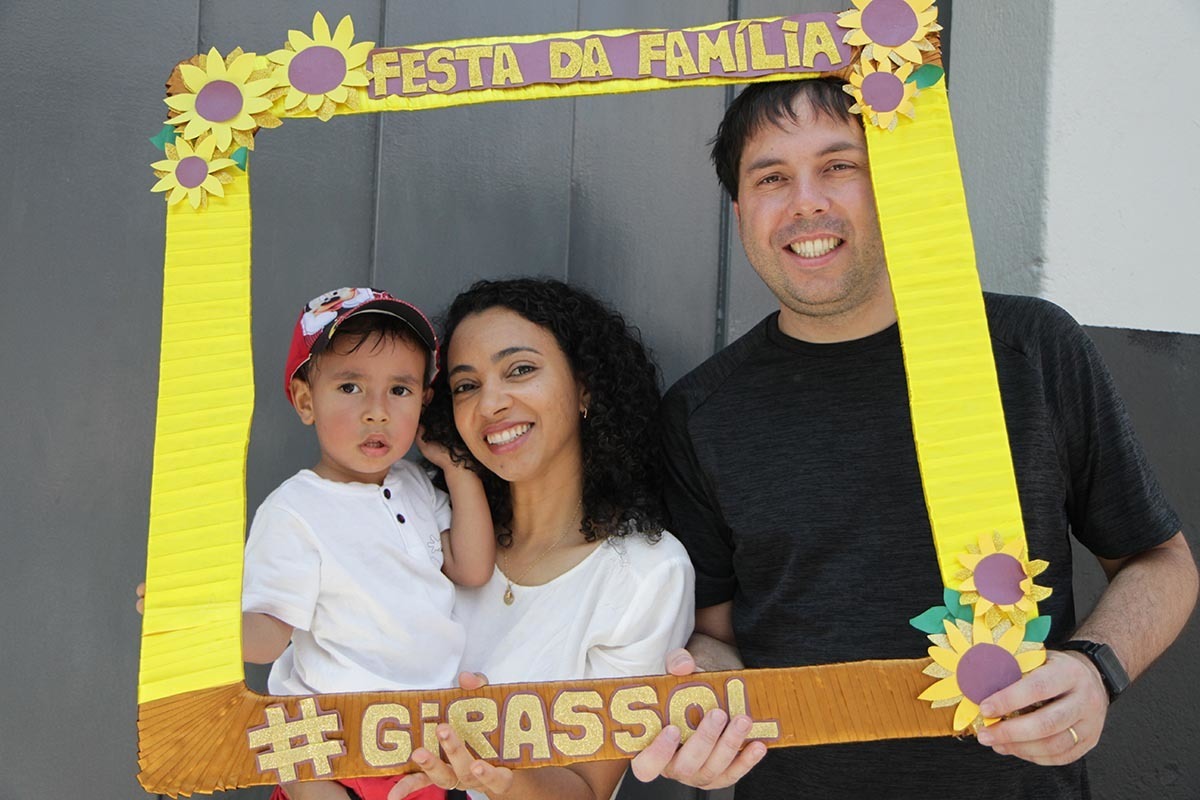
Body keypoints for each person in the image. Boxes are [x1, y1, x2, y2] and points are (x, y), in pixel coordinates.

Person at [628, 79, 1198, 798]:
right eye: (771, 178)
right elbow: (719, 636)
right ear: (741, 212)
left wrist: (1095, 667)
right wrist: (705, 703)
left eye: (839, 166)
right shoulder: (700, 412)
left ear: (897, 182)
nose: (806, 202)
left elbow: (1160, 561)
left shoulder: (1031, 349)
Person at [141, 287, 497, 800]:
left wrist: (455, 466)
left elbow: (472, 567)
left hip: (417, 746)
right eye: (350, 387)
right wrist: (194, 619)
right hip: (324, 747)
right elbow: (267, 638)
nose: (377, 411)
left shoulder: (416, 485)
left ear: (423, 401)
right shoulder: (296, 511)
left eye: (399, 390)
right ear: (307, 400)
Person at [387, 278, 695, 800]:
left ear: (585, 386)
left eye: (520, 370)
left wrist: (494, 775)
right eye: (466, 386)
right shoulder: (426, 534)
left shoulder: (646, 574)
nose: (490, 403)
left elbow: (587, 787)